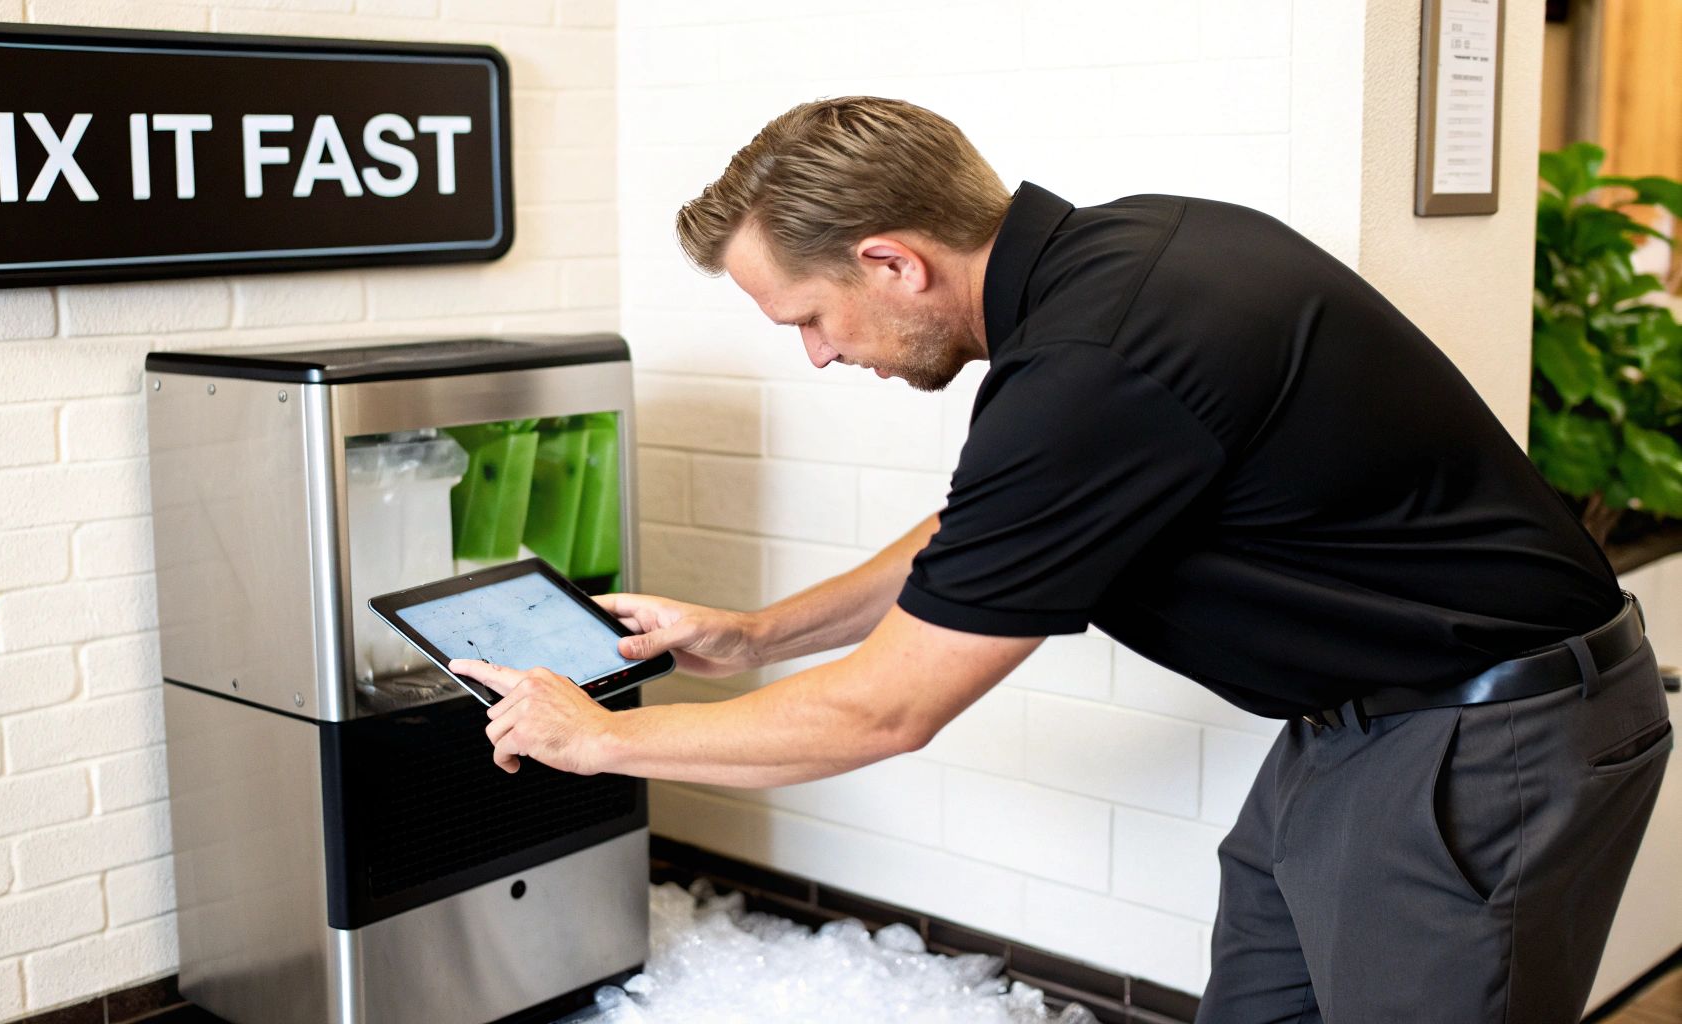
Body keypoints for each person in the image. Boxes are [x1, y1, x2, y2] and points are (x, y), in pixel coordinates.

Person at [451, 97, 1673, 1022]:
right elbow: (982, 530)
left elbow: (883, 711)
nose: (818, 357)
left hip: (1486, 740)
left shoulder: (1098, 366)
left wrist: (596, 738)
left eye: (809, 319)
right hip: (1362, 725)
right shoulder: (1120, 262)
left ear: (890, 260)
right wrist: (758, 634)